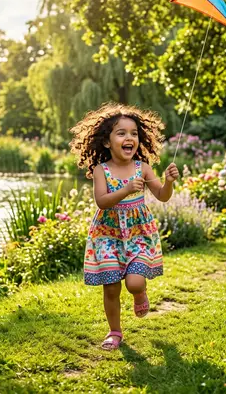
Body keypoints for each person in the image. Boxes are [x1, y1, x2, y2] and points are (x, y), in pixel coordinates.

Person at [69, 102, 179, 351]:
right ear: (107, 142)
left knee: (134, 283)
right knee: (111, 286)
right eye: (121, 133)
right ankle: (115, 331)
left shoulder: (143, 168)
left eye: (134, 133)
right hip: (107, 235)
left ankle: (140, 294)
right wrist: (126, 189)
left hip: (139, 234)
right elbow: (102, 201)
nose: (129, 138)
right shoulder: (101, 170)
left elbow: (162, 195)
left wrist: (169, 182)